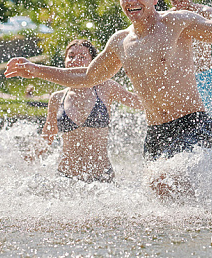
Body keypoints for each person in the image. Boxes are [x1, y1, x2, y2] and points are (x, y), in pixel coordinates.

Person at [5, 0, 212, 197]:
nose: (132, 1)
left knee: (170, 183)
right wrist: (36, 69)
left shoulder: (177, 23)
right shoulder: (120, 42)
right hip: (156, 132)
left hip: (192, 122)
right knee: (162, 201)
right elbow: (86, 76)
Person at [32, 39, 142, 182]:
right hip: (66, 177)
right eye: (71, 56)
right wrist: (28, 159)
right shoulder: (57, 98)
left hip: (101, 177)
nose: (75, 60)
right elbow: (48, 134)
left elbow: (138, 102)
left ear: (93, 63)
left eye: (82, 57)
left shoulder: (105, 87)